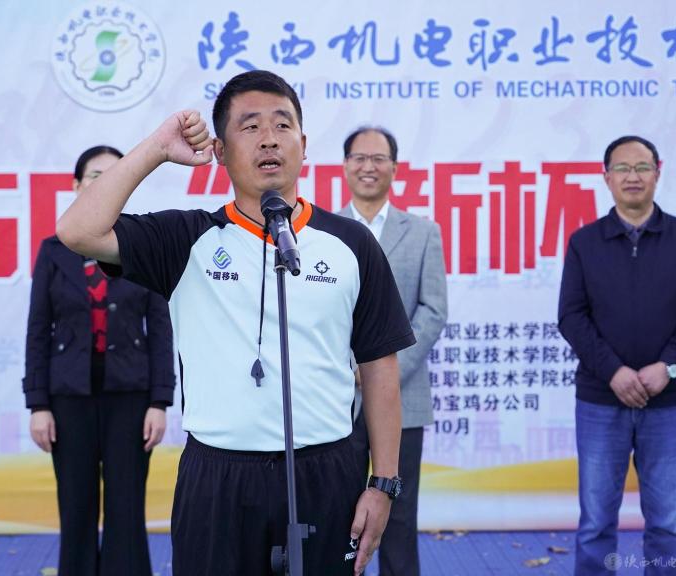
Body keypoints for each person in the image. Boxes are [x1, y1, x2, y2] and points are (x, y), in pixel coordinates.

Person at [56, 69, 414, 576]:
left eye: (283, 125)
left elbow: (380, 368)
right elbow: (77, 231)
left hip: (326, 474)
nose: (269, 138)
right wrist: (157, 148)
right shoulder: (187, 239)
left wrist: (383, 485)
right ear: (219, 151)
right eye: (250, 126)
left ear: (304, 145)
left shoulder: (351, 244)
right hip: (217, 480)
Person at [558, 135, 676, 575]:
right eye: (623, 168)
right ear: (606, 177)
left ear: (658, 173)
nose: (633, 176)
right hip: (600, 400)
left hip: (668, 401)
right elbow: (571, 316)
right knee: (595, 524)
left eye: (642, 167)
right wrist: (613, 372)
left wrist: (668, 367)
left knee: (666, 525)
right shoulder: (585, 242)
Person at [23, 145, 175, 576]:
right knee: (76, 506)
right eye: (95, 175)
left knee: (127, 507)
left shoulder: (142, 247)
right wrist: (38, 404)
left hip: (131, 397)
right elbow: (38, 329)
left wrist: (159, 402)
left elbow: (160, 329)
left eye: (114, 175)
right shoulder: (54, 250)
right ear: (76, 186)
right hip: (68, 398)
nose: (104, 183)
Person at [340, 127, 447, 576]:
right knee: (338, 516)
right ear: (345, 166)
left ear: (395, 168)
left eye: (378, 159)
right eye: (359, 158)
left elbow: (433, 310)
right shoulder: (322, 231)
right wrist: (347, 368)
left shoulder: (423, 233)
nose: (369, 167)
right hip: (336, 399)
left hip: (403, 399)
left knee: (399, 517)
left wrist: (382, 371)